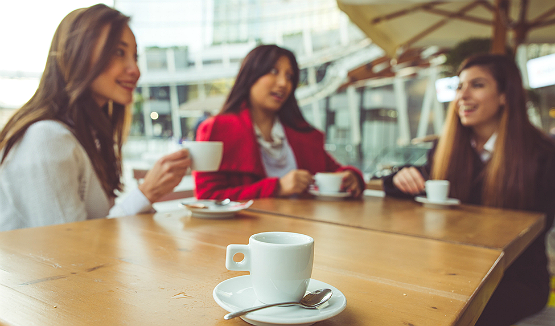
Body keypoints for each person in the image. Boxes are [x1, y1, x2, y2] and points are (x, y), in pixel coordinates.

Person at [383, 53, 555, 326]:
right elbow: (416, 183)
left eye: (477, 85)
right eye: (459, 86)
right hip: (454, 273)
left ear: (504, 95)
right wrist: (399, 178)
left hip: (514, 279)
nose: (462, 95)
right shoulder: (446, 148)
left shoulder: (543, 155)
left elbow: (538, 226)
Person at [0, 4, 191, 231]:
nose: (136, 70)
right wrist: (145, 193)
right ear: (77, 53)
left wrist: (148, 195)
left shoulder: (84, 136)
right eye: (119, 52)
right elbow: (69, 248)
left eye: (135, 56)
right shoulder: (46, 139)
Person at [194, 44, 364, 200]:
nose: (284, 83)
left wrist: (351, 177)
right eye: (274, 71)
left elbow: (335, 171)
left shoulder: (303, 133)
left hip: (303, 230)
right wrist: (277, 187)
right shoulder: (216, 129)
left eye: (290, 76)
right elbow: (207, 196)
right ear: (251, 75)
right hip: (244, 232)